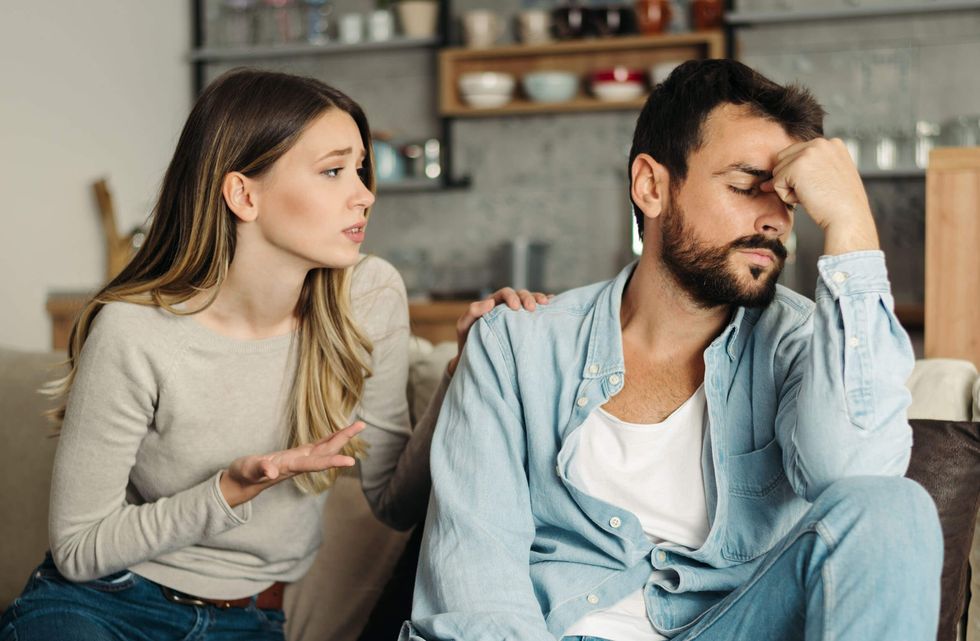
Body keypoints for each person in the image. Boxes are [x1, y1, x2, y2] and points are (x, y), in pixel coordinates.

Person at [404, 59, 943, 641]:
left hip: (733, 627)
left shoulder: (800, 345)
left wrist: (851, 225)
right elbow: (475, 590)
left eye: (791, 199)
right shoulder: (517, 345)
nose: (775, 221)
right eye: (745, 187)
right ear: (652, 186)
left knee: (895, 509)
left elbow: (857, 478)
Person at [0, 68, 546, 641]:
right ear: (244, 194)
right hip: (102, 606)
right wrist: (227, 491)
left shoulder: (370, 296)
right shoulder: (135, 331)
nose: (363, 194)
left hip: (251, 619)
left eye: (359, 170)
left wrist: (468, 369)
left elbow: (394, 503)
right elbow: (79, 548)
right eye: (334, 171)